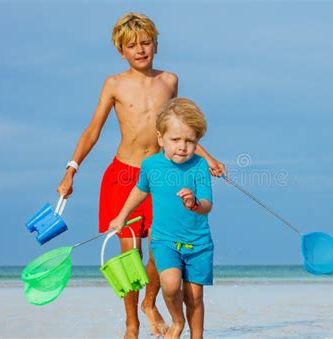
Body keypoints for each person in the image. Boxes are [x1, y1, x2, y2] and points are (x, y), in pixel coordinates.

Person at [56, 13, 225, 339]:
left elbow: (179, 128)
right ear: (121, 51)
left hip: (164, 175)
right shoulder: (114, 84)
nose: (140, 50)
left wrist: (209, 158)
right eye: (131, 45)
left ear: (156, 44)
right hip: (123, 175)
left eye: (145, 43)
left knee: (160, 249)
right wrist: (71, 170)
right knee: (129, 255)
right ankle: (132, 322)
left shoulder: (170, 81)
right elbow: (93, 130)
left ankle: (150, 303)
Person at [110, 97, 214, 339]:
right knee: (169, 285)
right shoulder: (151, 166)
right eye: (175, 139)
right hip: (164, 240)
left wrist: (194, 203)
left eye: (190, 141)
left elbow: (207, 204)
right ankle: (177, 323)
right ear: (160, 139)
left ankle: (196, 336)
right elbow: (139, 190)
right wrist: (122, 216)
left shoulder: (199, 166)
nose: (183, 146)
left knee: (195, 296)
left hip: (198, 242)